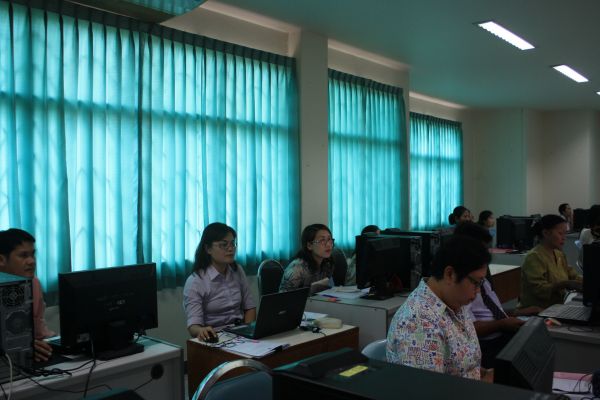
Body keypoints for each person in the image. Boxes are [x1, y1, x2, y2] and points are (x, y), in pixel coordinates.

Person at [386, 234, 493, 381]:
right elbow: (428, 390)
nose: (478, 290)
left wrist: (485, 374)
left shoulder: (455, 302)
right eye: (476, 283)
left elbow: (463, 365)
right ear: (450, 274)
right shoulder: (418, 323)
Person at [455, 222, 541, 368]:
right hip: (486, 345)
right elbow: (468, 328)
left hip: (501, 334)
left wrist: (519, 312)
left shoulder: (481, 278)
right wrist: (502, 324)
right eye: (483, 249)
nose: (486, 254)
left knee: (539, 339)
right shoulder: (462, 283)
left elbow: (493, 311)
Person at [183, 223, 256, 341]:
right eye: (224, 245)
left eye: (233, 243)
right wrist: (201, 330)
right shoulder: (196, 281)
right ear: (208, 249)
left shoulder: (237, 270)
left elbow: (250, 307)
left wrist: (248, 332)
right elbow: (193, 326)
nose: (230, 249)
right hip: (216, 337)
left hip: (241, 333)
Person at [0, 228, 54, 362]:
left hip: (24, 359)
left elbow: (39, 330)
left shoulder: (33, 283)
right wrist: (22, 345)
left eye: (33, 254)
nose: (32, 261)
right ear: (1, 260)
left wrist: (52, 343)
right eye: (23, 256)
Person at [520, 215, 582, 310]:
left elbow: (573, 275)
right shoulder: (534, 257)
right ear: (546, 233)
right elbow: (539, 290)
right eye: (560, 233)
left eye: (565, 234)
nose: (564, 238)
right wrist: (565, 284)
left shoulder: (559, 254)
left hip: (556, 309)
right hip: (537, 311)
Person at [279, 224, 334, 293]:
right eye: (322, 240)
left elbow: (329, 289)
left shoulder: (327, 263)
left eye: (329, 239)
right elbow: (283, 297)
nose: (328, 244)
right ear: (309, 245)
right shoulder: (297, 269)